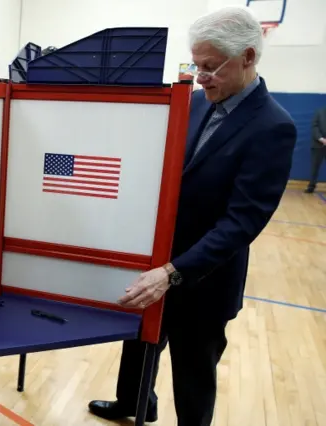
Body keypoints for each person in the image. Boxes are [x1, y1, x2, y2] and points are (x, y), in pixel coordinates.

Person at [88, 7, 297, 426]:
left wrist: (174, 271)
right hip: (157, 259)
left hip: (205, 278)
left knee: (193, 370)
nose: (200, 76)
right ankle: (134, 403)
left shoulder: (274, 126)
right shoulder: (194, 103)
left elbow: (242, 222)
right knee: (139, 344)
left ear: (248, 57)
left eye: (210, 67)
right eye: (195, 64)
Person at [305, 105, 326, 193]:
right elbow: (314, 127)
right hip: (318, 144)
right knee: (315, 167)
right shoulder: (319, 112)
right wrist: (321, 139)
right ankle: (311, 186)